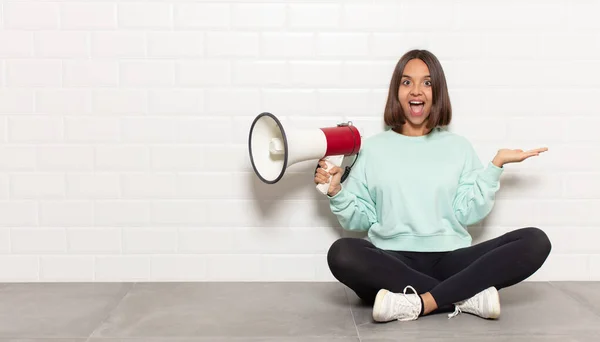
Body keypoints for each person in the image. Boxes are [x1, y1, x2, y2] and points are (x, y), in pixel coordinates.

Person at [314, 49, 551, 323]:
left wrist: (494, 167)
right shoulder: (372, 149)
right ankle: (463, 296)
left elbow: (467, 213)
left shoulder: (458, 147)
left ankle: (417, 301)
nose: (417, 91)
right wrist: (336, 192)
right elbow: (361, 219)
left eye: (427, 83)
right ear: (396, 92)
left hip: (452, 260)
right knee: (342, 253)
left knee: (535, 241)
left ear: (438, 92)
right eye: (407, 82)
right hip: (392, 262)